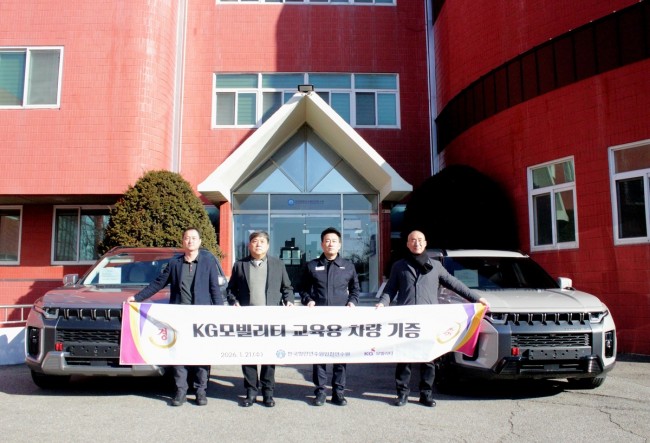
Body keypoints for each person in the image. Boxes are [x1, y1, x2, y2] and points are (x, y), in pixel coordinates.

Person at [376, 230, 489, 408]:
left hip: (429, 320)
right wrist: (382, 303)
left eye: (420, 240)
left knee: (428, 359)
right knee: (404, 358)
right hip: (406, 320)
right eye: (413, 240)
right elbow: (390, 289)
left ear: (425, 243)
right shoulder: (399, 265)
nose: (417, 243)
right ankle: (402, 393)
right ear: (407, 244)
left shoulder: (435, 266)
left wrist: (476, 298)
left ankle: (426, 394)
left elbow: (454, 283)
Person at [126, 227, 224, 407]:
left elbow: (214, 289)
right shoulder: (174, 264)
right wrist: (137, 298)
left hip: (202, 318)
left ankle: (201, 391)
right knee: (179, 354)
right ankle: (181, 391)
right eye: (187, 238)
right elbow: (157, 284)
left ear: (200, 242)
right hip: (178, 317)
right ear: (183, 241)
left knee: (202, 354)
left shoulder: (208, 262)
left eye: (194, 238)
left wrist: (220, 313)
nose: (190, 241)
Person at [226, 230, 294, 408]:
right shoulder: (240, 265)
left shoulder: (277, 264)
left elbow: (287, 288)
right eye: (255, 241)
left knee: (269, 356)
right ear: (249, 245)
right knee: (248, 355)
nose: (258, 244)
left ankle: (268, 392)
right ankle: (250, 392)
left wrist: (289, 301)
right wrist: (233, 301)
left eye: (262, 241)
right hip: (247, 320)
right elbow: (231, 289)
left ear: (268, 245)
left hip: (270, 319)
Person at [300, 227, 360, 407]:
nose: (330, 244)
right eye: (327, 241)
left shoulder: (348, 266)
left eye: (334, 241)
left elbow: (355, 289)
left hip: (341, 320)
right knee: (319, 356)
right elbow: (302, 289)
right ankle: (320, 392)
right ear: (322, 244)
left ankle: (338, 393)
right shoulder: (311, 266)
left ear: (339, 244)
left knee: (340, 357)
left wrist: (352, 302)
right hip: (318, 319)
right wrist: (308, 300)